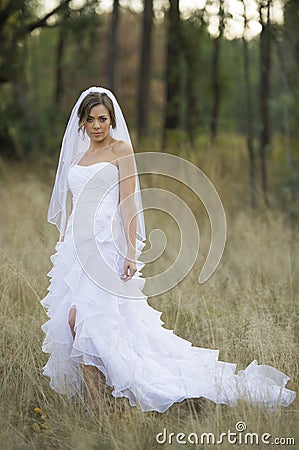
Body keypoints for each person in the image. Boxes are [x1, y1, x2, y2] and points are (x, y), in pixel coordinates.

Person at [40, 86, 296, 413]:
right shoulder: (78, 158)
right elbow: (75, 206)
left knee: (86, 319)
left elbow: (128, 203)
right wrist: (64, 245)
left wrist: (131, 252)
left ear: (111, 119)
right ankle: (99, 404)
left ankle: (109, 402)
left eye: (103, 119)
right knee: (76, 324)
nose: (97, 126)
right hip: (78, 250)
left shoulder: (121, 151)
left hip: (107, 247)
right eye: (90, 120)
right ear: (82, 123)